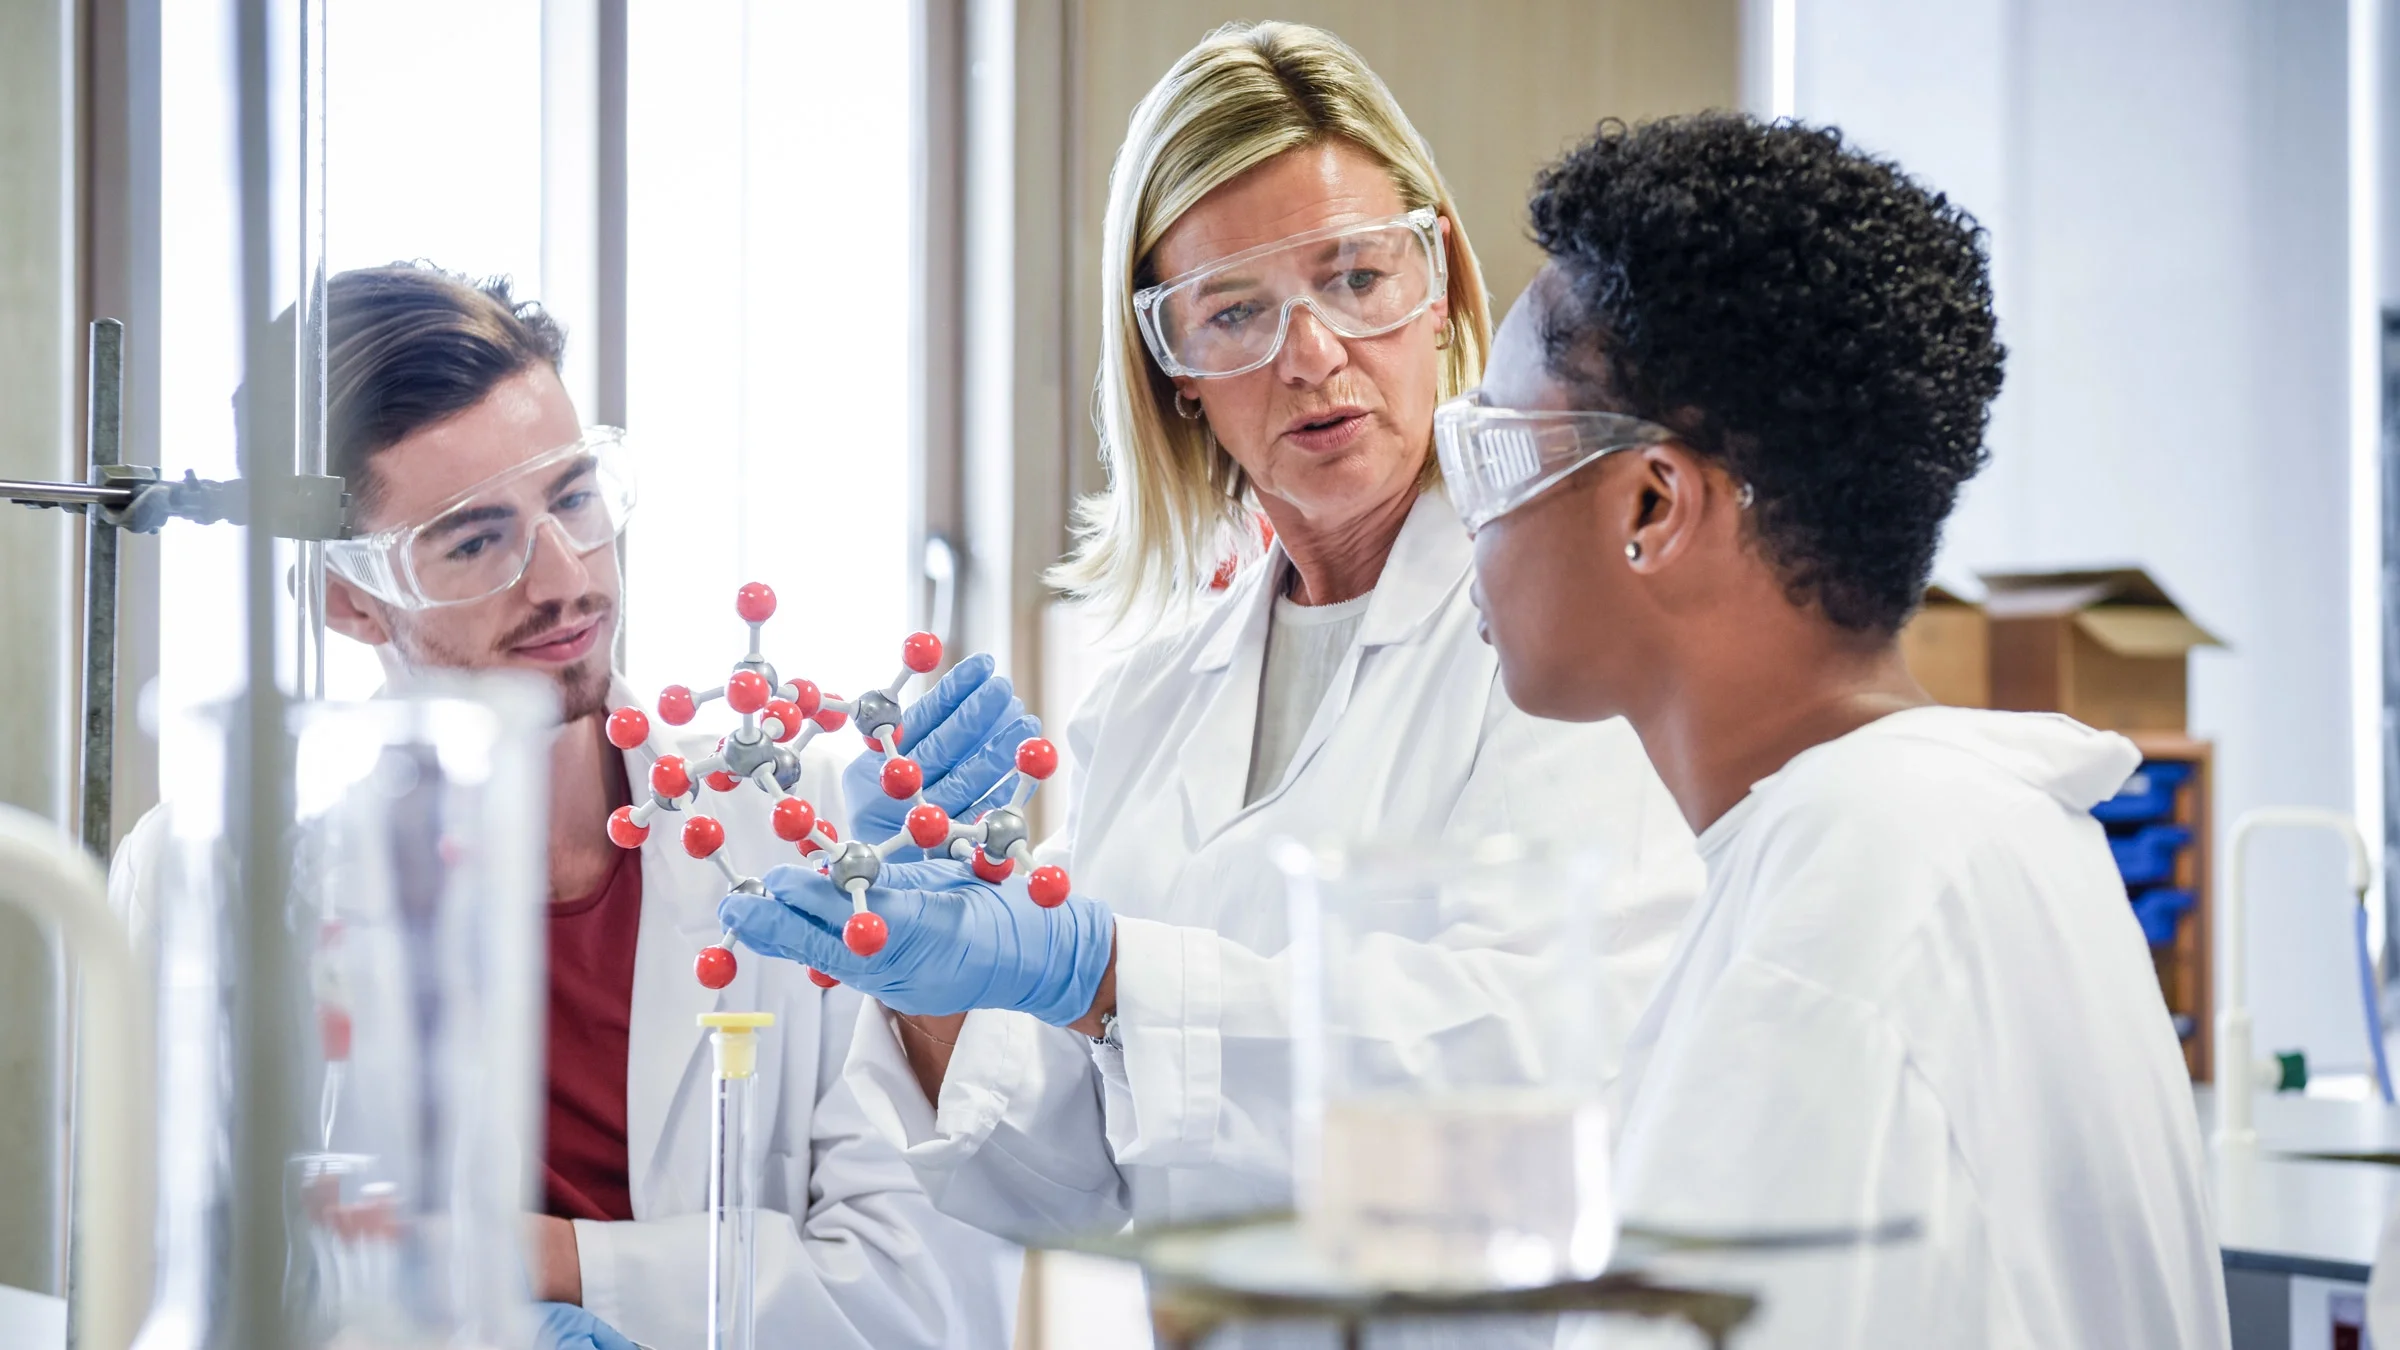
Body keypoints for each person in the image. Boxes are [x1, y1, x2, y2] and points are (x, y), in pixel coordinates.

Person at [722, 17, 1701, 1260]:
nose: (1313, 356)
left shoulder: (1575, 630)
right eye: (1232, 311)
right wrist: (925, 970)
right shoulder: (1150, 700)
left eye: (1356, 278)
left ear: (1440, 278)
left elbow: (1538, 1063)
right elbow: (1060, 1177)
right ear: (1172, 365)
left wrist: (1108, 977)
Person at [110, 264, 1017, 1349]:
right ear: (348, 596)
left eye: (574, 498)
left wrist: (546, 1260)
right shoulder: (211, 877)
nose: (567, 579)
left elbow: (924, 1307)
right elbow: (182, 1293)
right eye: (473, 538)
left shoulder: (801, 830)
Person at [1440, 113, 2228, 1345]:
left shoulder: (1838, 904)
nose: (1464, 529)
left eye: (1488, 453)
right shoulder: (1966, 832)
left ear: (1652, 503)